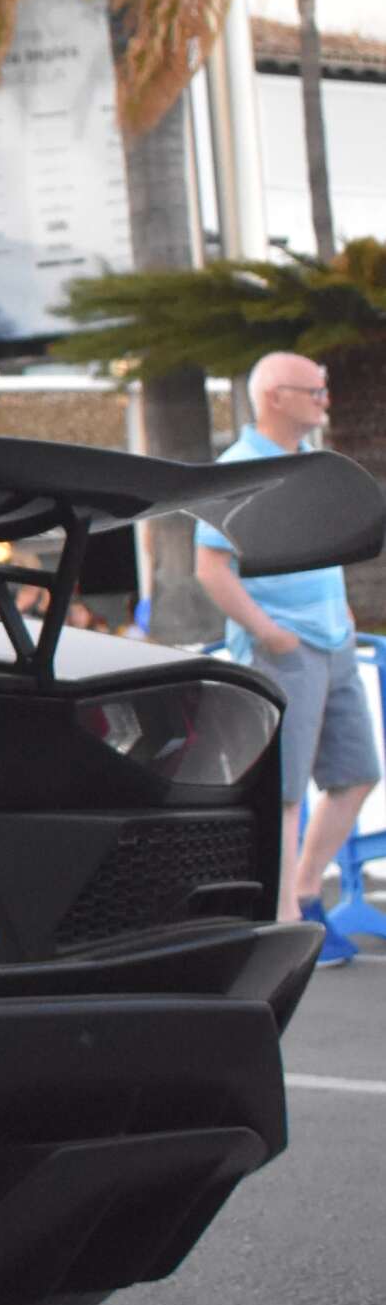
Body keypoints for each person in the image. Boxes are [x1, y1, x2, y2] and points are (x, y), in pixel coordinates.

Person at [193, 350, 380, 959]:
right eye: (316, 391)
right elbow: (210, 567)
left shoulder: (311, 467)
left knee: (356, 775)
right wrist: (269, 632)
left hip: (332, 640)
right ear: (276, 395)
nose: (326, 400)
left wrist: (344, 617)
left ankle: (304, 891)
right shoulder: (238, 470)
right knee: (286, 791)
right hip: (284, 649)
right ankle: (284, 918)